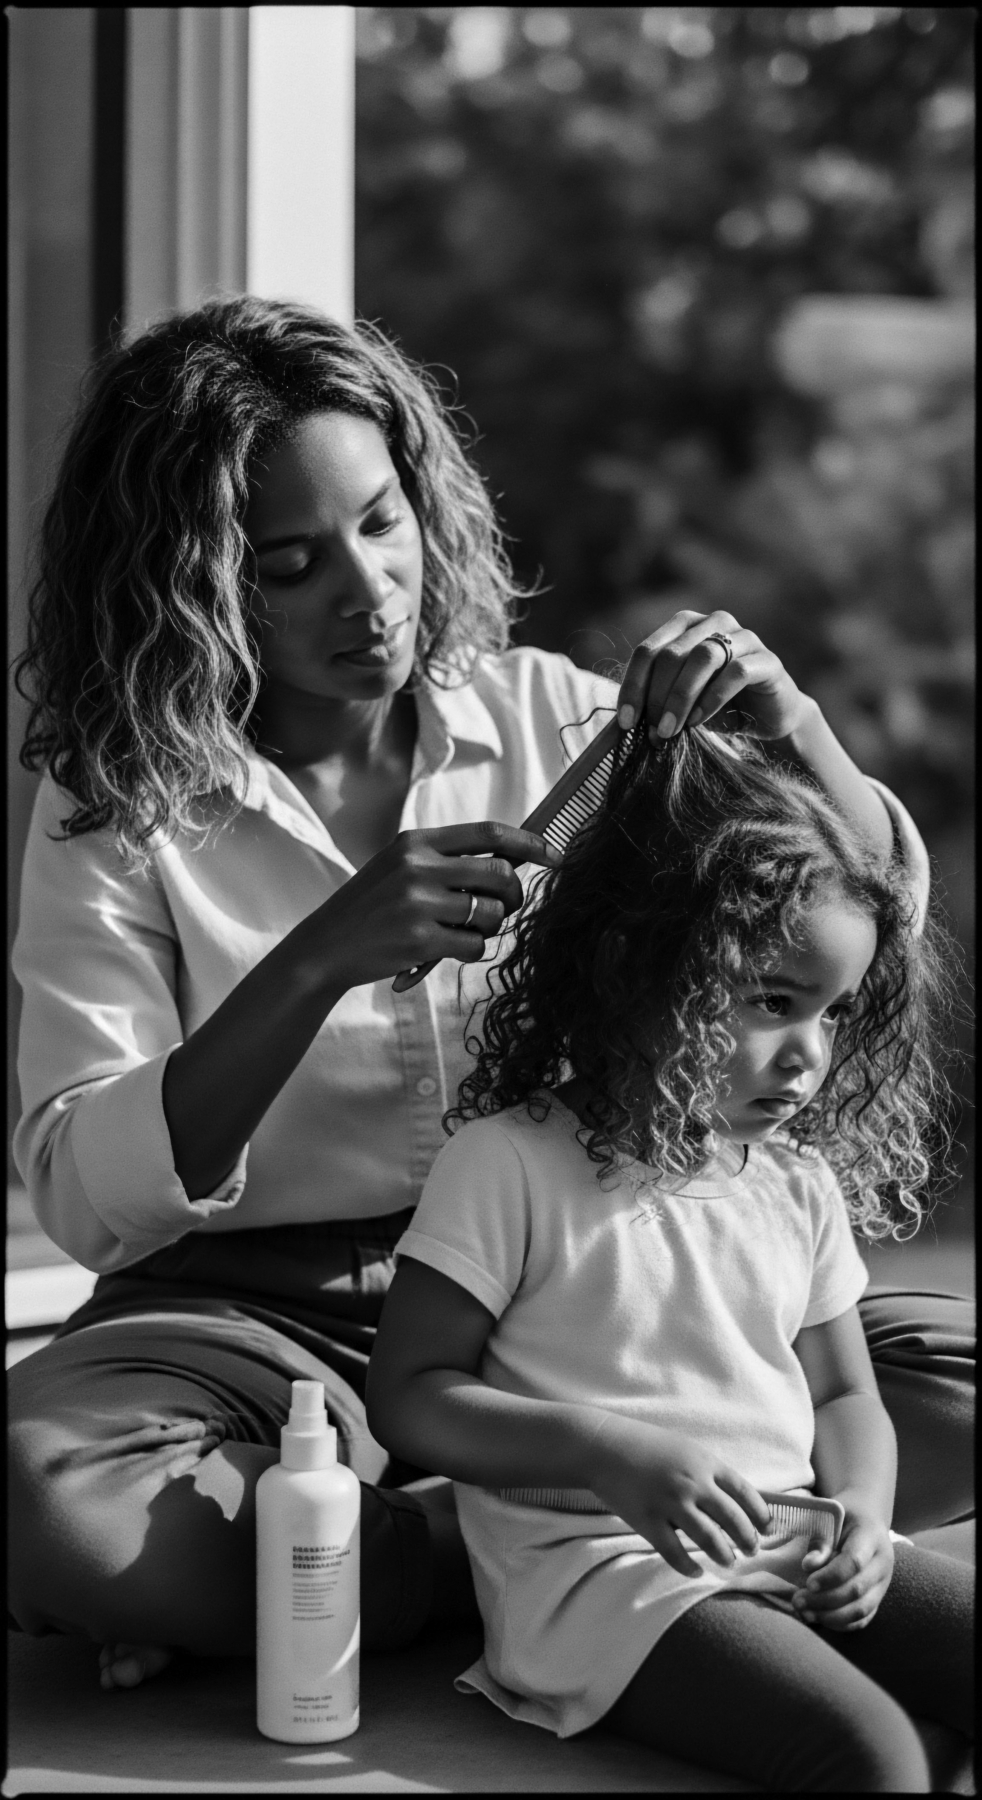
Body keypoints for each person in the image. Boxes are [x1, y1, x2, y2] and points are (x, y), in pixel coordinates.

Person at [8, 297, 972, 1695]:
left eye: (382, 522)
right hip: (262, 1323)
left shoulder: (555, 723)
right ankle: (490, 1541)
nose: (368, 590)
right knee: (49, 1494)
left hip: (591, 1293)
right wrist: (317, 955)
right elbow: (87, 1195)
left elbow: (865, 924)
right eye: (289, 562)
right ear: (188, 581)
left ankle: (369, 1560)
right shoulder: (116, 806)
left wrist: (794, 728)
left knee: (940, 1377)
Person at [366, 726, 972, 1792]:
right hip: (606, 1580)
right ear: (638, 968)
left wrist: (868, 1525)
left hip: (793, 1541)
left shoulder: (792, 1184)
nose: (808, 1055)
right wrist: (611, 1452)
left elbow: (845, 1397)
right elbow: (410, 1398)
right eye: (772, 1003)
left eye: (831, 1014)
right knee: (871, 1758)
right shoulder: (507, 1164)